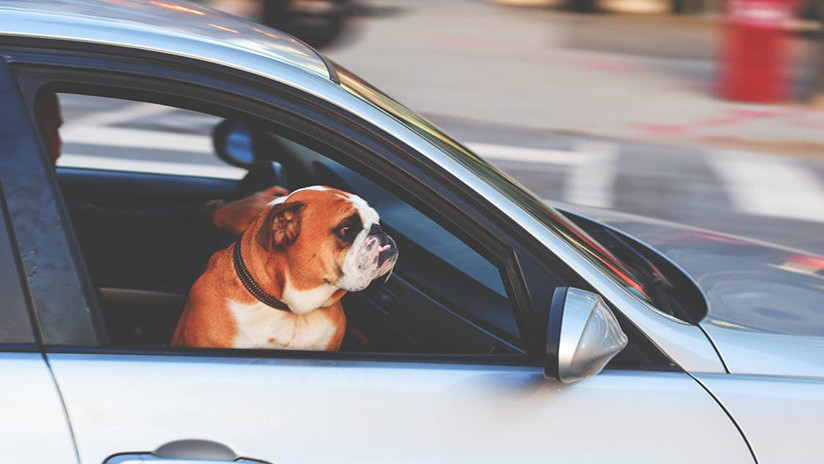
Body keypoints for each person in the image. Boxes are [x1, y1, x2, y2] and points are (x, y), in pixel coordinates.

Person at [34, 91, 288, 290]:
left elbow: (96, 227)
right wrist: (216, 217)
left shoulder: (28, 204)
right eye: (39, 133)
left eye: (56, 130)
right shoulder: (21, 209)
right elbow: (107, 234)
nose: (56, 150)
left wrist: (215, 216)